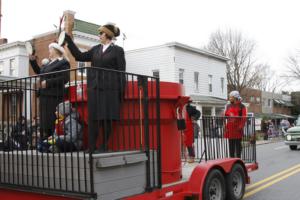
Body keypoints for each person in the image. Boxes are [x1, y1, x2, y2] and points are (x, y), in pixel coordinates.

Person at [62, 23, 126, 153]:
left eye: (101, 33)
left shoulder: (118, 50)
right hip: (95, 88)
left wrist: (121, 93)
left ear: (108, 35)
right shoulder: (95, 49)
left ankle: (104, 146)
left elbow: (121, 72)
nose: (99, 35)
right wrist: (68, 40)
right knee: (94, 119)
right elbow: (80, 56)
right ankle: (92, 146)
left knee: (107, 119)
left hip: (110, 90)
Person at [29, 43, 70, 140]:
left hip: (54, 96)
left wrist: (48, 82)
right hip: (44, 95)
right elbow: (39, 72)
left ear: (56, 50)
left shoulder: (63, 63)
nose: (49, 51)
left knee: (51, 120)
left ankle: (53, 141)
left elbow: (65, 78)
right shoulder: (48, 64)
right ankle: (45, 141)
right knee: (44, 121)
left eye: (50, 49)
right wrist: (32, 60)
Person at [224, 90, 247, 158]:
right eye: (229, 97)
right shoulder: (228, 106)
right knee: (231, 144)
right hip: (230, 128)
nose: (230, 98)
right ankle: (231, 158)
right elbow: (226, 116)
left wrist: (241, 126)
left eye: (231, 97)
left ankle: (238, 158)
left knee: (238, 144)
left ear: (235, 97)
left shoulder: (242, 106)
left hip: (237, 128)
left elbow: (244, 117)